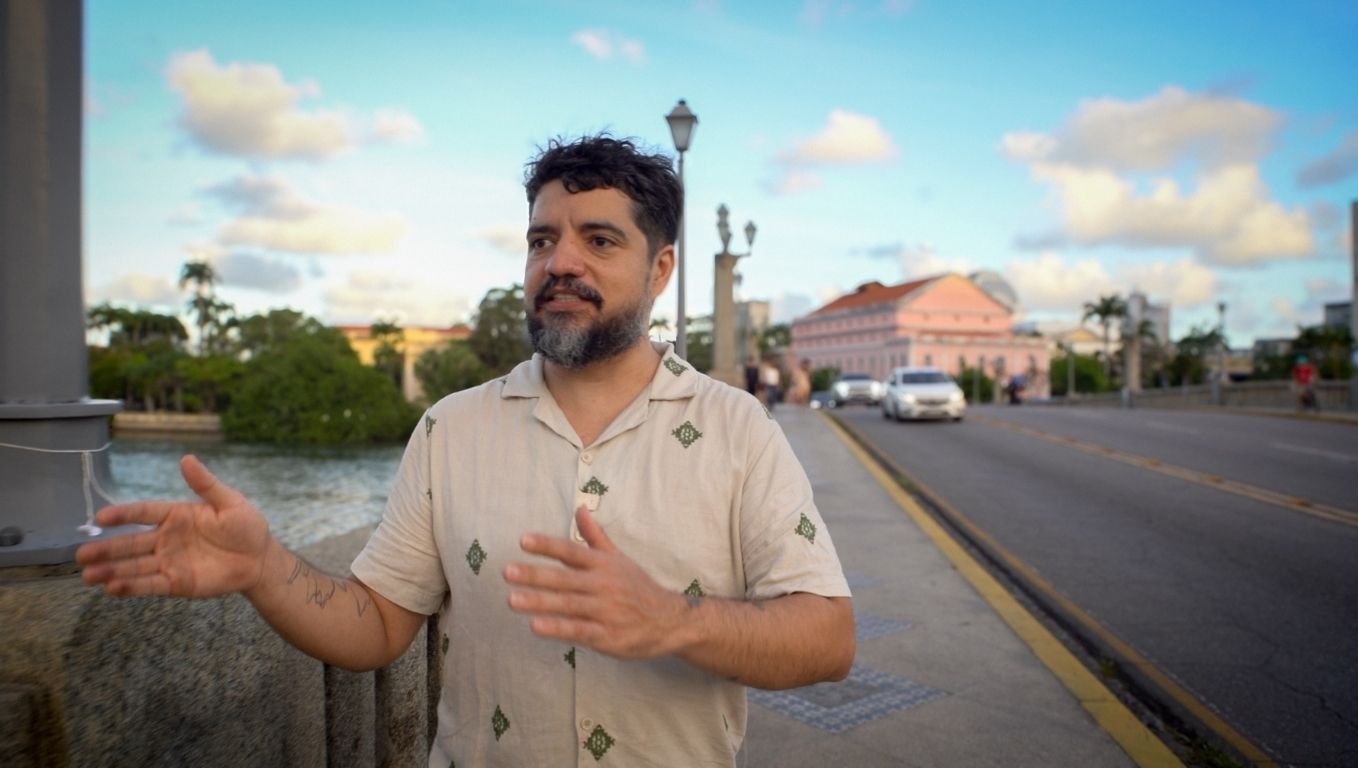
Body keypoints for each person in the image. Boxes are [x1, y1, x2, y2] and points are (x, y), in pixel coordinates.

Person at [77, 135, 854, 767]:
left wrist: (675, 620)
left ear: (660, 269)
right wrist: (262, 569)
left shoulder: (737, 429)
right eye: (542, 240)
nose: (561, 263)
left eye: (599, 240)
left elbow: (828, 637)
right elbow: (377, 626)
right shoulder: (451, 430)